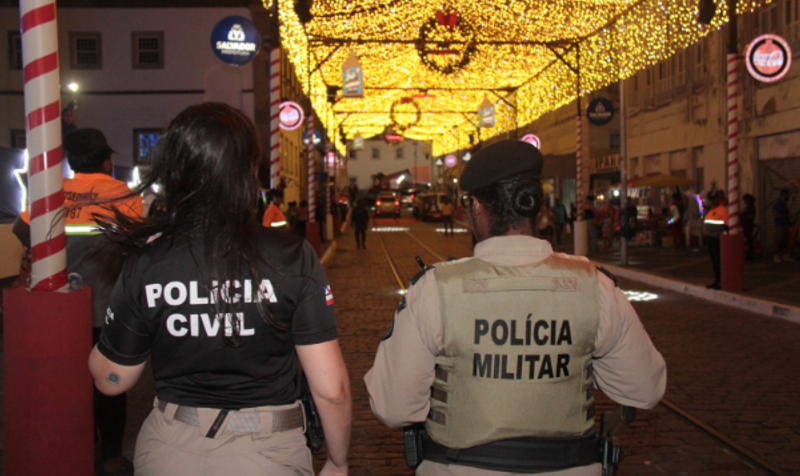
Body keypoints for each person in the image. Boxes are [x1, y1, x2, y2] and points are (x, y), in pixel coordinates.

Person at [365, 140, 666, 476]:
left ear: (477, 207)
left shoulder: (435, 290)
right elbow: (645, 389)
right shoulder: (595, 287)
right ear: (536, 207)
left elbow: (392, 407)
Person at [87, 103, 351, 476]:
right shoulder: (292, 257)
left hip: (171, 448)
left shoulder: (149, 260)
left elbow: (113, 380)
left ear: (175, 171)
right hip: (267, 452)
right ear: (248, 170)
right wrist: (338, 462)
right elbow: (330, 389)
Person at [13, 128, 143, 476]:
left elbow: (21, 229)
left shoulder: (52, 193)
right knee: (111, 383)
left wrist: (54, 254)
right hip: (108, 307)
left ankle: (83, 448)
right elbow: (136, 244)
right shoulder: (121, 193)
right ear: (106, 160)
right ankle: (113, 458)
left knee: (71, 383)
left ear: (71, 160)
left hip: (61, 307)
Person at [702, 190, 729, 290]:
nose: (713, 201)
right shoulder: (711, 210)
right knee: (714, 261)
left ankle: (721, 281)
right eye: (711, 199)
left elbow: (727, 225)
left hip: (716, 239)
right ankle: (716, 280)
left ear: (719, 199)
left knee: (718, 260)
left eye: (715, 199)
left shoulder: (722, 210)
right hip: (710, 238)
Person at [773, 189, 791, 263]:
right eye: (787, 195)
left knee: (785, 241)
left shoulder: (785, 204)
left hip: (786, 225)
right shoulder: (778, 204)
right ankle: (776, 256)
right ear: (783, 195)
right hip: (780, 225)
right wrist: (786, 216)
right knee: (778, 240)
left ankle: (784, 256)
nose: (788, 197)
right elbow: (777, 215)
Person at [741, 193, 756, 261]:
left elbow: (750, 217)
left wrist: (742, 217)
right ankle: (749, 255)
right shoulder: (748, 207)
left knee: (750, 241)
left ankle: (750, 256)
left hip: (748, 226)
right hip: (746, 225)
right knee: (749, 241)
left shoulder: (751, 207)